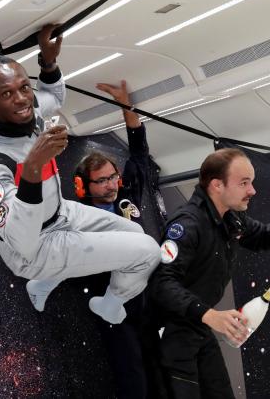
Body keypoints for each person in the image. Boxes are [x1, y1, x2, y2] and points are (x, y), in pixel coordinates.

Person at [0, 25, 161, 325]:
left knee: (134, 232)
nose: (21, 100)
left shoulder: (28, 109)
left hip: (60, 212)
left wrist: (48, 61)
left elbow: (53, 96)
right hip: (33, 248)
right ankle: (110, 304)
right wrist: (32, 168)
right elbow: (21, 241)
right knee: (148, 252)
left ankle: (42, 285)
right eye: (6, 94)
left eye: (23, 87)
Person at [150, 147, 270, 399]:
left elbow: (262, 236)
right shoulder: (186, 225)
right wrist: (210, 315)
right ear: (217, 185)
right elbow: (163, 284)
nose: (252, 190)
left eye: (251, 182)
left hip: (199, 327)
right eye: (244, 183)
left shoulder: (232, 218)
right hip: (171, 333)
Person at [73, 80, 166, 399]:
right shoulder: (77, 218)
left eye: (113, 177)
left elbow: (139, 153)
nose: (111, 185)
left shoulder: (127, 196)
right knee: (132, 373)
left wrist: (126, 105)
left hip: (147, 300)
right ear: (84, 186)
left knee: (158, 366)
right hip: (113, 303)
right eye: (101, 181)